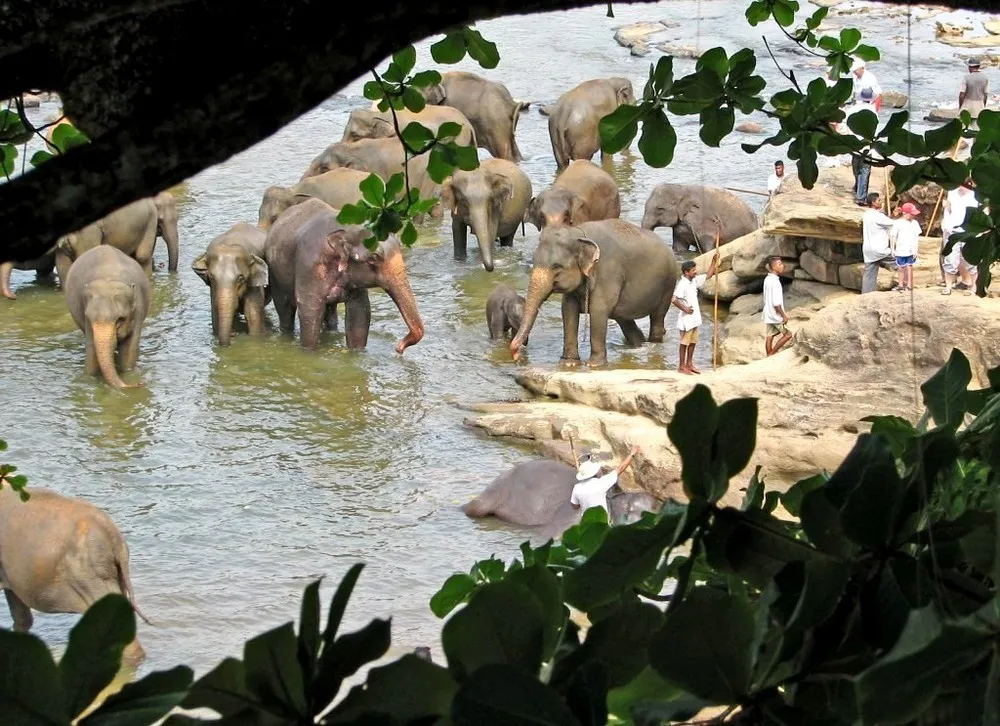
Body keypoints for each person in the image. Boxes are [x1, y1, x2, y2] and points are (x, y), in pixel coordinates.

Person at [671, 251, 720, 375]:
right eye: (693, 270)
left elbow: (708, 275)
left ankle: (690, 364)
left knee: (693, 343)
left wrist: (714, 261)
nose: (695, 272)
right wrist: (685, 309)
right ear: (686, 272)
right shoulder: (683, 284)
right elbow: (674, 299)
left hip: (694, 319)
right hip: (686, 319)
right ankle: (682, 367)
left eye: (695, 269)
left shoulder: (694, 281)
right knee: (684, 343)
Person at [570, 446, 640, 519]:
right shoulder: (601, 483)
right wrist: (632, 454)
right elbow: (621, 468)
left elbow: (575, 506)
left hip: (586, 522)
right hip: (601, 520)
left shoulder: (576, 488)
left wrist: (584, 500)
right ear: (594, 473)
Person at [941, 179, 980, 291]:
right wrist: (945, 227)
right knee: (950, 259)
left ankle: (974, 287)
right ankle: (948, 287)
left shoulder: (975, 196)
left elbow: (982, 213)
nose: (960, 187)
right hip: (952, 231)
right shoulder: (952, 193)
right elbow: (948, 210)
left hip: (969, 232)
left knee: (971, 260)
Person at [861, 193, 897, 293]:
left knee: (869, 274)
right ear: (873, 202)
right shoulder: (878, 216)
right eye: (879, 200)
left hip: (868, 249)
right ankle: (904, 285)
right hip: (879, 249)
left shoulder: (866, 214)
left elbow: (885, 221)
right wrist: (898, 216)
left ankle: (866, 295)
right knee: (902, 262)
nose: (881, 202)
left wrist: (892, 216)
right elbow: (894, 224)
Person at [846, 89, 878, 205]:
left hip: (854, 143)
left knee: (856, 166)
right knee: (865, 170)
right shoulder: (872, 110)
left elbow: (846, 125)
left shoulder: (852, 109)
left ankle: (857, 186)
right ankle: (860, 196)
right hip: (866, 145)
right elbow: (875, 129)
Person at [762, 256, 792, 356]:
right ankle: (771, 355)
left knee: (769, 336)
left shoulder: (767, 278)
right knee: (788, 335)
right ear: (774, 267)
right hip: (775, 315)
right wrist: (784, 316)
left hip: (768, 312)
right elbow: (776, 304)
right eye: (780, 264)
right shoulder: (775, 282)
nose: (782, 266)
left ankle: (768, 355)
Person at [891, 202, 921, 293]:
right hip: (901, 249)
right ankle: (901, 284)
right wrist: (893, 248)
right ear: (905, 213)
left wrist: (916, 249)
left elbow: (916, 237)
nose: (913, 216)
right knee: (901, 267)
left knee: (910, 266)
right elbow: (893, 236)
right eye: (911, 214)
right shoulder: (898, 223)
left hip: (911, 249)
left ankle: (910, 284)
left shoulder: (915, 223)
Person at [959, 57, 989, 129]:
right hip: (979, 107)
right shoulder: (985, 78)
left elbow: (962, 95)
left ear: (969, 67)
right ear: (979, 66)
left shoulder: (966, 78)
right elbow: (985, 94)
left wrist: (960, 107)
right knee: (976, 130)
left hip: (967, 107)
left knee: (962, 130)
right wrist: (983, 105)